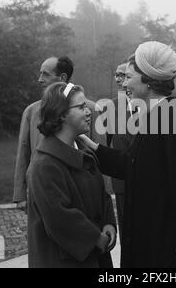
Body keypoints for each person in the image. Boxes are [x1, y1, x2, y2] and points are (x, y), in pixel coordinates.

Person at [80, 41, 176, 268]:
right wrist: (96, 149)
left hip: (170, 242)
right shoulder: (156, 115)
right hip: (158, 231)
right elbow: (138, 165)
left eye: (130, 77)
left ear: (148, 81)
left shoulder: (171, 117)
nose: (125, 83)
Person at [27, 82, 116, 268]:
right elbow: (58, 217)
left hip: (96, 257)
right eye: (81, 107)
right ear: (61, 114)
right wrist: (95, 238)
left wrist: (109, 223)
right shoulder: (44, 164)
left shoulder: (85, 153)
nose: (89, 111)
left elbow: (103, 195)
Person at [13, 56, 103, 210]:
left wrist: (103, 195)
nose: (39, 79)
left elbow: (100, 156)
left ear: (62, 77)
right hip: (41, 187)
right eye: (40, 74)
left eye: (45, 74)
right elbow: (24, 152)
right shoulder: (31, 111)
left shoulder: (93, 110)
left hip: (83, 191)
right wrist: (19, 194)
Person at [105, 63, 134, 244]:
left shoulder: (148, 105)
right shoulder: (111, 107)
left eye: (123, 75)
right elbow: (106, 143)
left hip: (147, 180)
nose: (118, 79)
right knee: (127, 234)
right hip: (122, 182)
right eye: (116, 75)